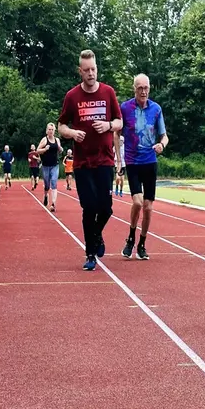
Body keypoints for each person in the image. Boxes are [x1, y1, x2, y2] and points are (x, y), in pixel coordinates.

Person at [58, 49, 122, 271]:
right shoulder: (72, 96)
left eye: (93, 69)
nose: (91, 73)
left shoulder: (108, 92)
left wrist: (108, 126)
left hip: (105, 159)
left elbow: (119, 122)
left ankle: (96, 236)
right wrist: (72, 133)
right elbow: (61, 125)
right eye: (86, 70)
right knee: (89, 207)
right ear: (80, 71)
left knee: (106, 208)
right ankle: (90, 253)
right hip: (83, 162)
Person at [117, 73, 168, 261]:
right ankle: (131, 237)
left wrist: (162, 145)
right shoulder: (125, 108)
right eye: (140, 88)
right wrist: (119, 160)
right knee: (137, 202)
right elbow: (116, 134)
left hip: (150, 161)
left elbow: (164, 135)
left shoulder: (156, 109)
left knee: (148, 207)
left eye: (146, 88)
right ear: (134, 89)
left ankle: (142, 243)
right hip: (132, 161)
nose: (144, 91)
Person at [37, 123, 62, 211]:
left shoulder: (57, 140)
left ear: (54, 131)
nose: (51, 131)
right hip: (45, 166)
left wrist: (60, 149)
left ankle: (53, 204)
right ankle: (46, 195)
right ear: (47, 131)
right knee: (47, 185)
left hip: (55, 165)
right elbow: (37, 151)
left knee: (54, 183)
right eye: (49, 129)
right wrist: (44, 149)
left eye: (52, 129)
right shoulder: (44, 140)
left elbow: (60, 150)